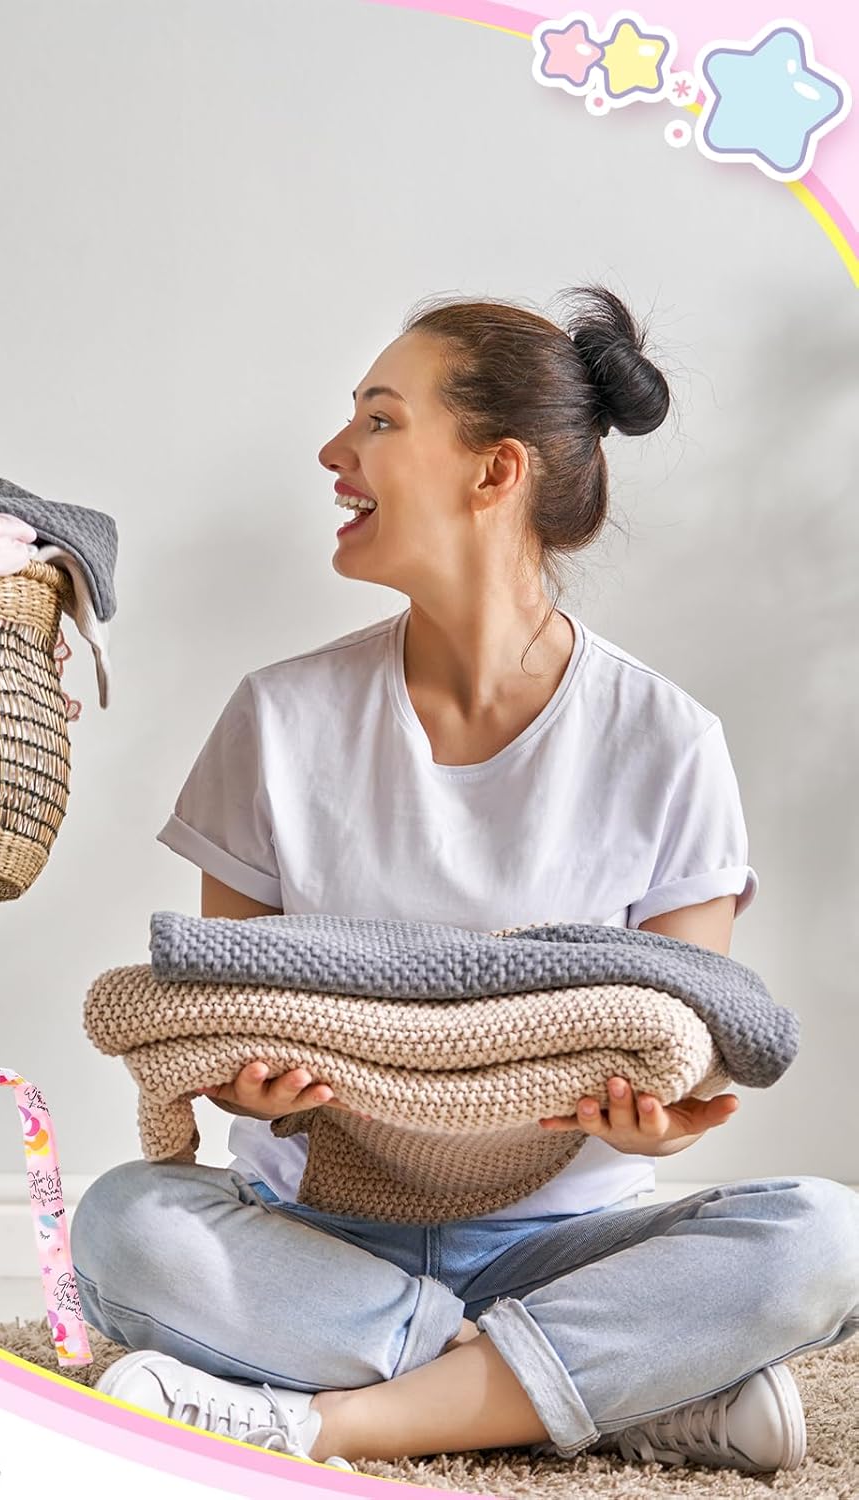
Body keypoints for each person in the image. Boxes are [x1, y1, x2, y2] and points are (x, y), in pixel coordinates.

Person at [69, 288, 859, 1475]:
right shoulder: (279, 717)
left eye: (380, 421)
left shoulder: (665, 739)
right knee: (124, 1225)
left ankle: (330, 1420)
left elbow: (687, 1040)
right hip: (318, 1238)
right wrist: (248, 1088)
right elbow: (227, 1013)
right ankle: (614, 1393)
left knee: (827, 1237)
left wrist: (661, 1116)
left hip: (564, 1241)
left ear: (495, 471)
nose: (334, 451)